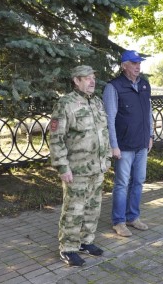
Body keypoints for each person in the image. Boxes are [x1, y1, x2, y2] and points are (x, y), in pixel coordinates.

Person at [49, 65, 111, 267]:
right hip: (77, 169)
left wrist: (107, 158)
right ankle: (68, 248)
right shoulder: (65, 103)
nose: (92, 81)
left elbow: (104, 132)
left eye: (93, 77)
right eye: (87, 78)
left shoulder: (97, 102)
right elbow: (56, 138)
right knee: (74, 210)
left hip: (97, 168)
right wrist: (62, 167)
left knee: (93, 208)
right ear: (76, 80)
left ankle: (86, 242)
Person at [103, 50, 153, 237]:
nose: (138, 66)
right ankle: (119, 221)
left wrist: (150, 136)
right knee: (122, 183)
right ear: (124, 66)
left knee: (138, 181)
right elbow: (109, 119)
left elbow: (148, 113)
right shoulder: (113, 87)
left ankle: (133, 216)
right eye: (133, 63)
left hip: (141, 143)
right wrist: (113, 145)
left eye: (139, 63)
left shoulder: (144, 85)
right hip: (123, 145)